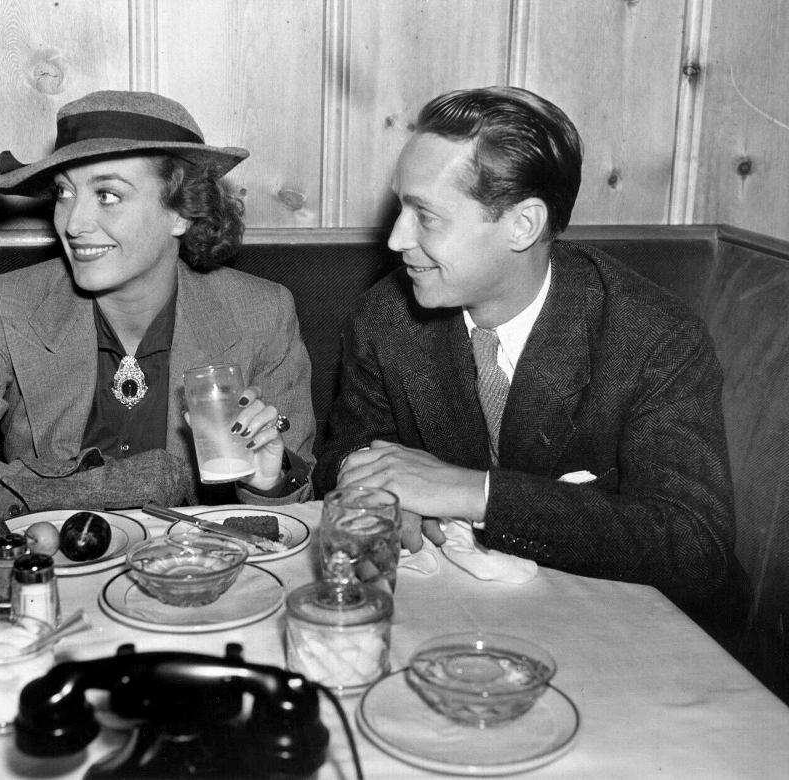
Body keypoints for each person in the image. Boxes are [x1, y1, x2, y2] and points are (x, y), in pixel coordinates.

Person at [313, 86, 749, 639]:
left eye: (425, 216)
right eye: (401, 205)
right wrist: (374, 490)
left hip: (637, 635)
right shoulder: (386, 318)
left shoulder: (652, 337)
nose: (397, 238)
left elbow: (693, 544)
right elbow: (345, 454)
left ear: (523, 224)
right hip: (464, 624)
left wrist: (474, 492)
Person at [0, 90, 315, 523]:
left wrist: (267, 485)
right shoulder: (2, 308)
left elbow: (290, 515)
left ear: (181, 212)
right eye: (65, 194)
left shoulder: (263, 314)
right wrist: (88, 490)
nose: (74, 223)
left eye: (107, 195)